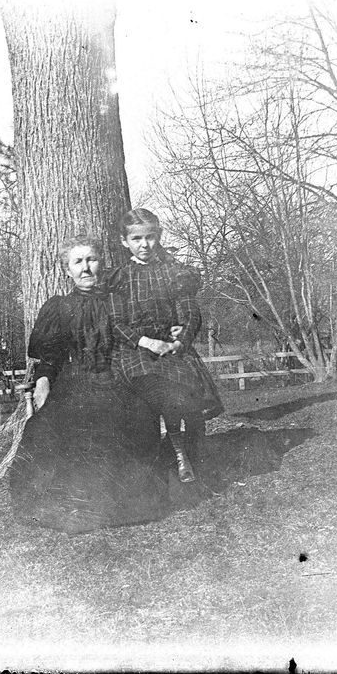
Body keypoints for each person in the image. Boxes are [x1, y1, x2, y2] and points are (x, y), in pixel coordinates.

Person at [8, 235, 172, 534]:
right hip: (75, 384)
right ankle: (72, 507)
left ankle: (122, 507)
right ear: (67, 270)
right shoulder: (59, 308)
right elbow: (50, 356)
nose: (86, 268)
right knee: (51, 429)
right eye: (78, 262)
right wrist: (43, 381)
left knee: (132, 421)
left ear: (101, 264)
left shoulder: (119, 304)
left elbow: (142, 338)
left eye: (91, 260)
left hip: (117, 380)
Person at [107, 208, 224, 485]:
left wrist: (181, 338)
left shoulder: (173, 273)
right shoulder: (119, 278)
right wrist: (146, 342)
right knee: (153, 392)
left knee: (186, 395)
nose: (144, 245)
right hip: (135, 350)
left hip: (172, 349)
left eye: (150, 237)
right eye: (136, 239)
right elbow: (115, 323)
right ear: (125, 242)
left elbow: (190, 311)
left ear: (158, 237)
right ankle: (163, 456)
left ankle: (192, 456)